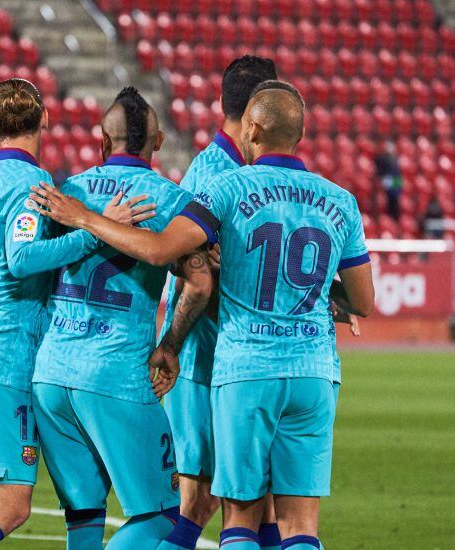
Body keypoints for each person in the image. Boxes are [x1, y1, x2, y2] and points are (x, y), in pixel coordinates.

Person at [29, 83, 375, 550]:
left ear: (252, 129)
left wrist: (88, 219)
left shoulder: (223, 187)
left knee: (234, 518)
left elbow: (159, 250)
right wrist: (321, 295)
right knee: (295, 525)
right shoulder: (341, 201)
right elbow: (363, 302)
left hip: (234, 369)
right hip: (312, 370)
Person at [0, 78, 154, 550]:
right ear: (45, 119)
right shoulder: (32, 184)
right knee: (10, 504)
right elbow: (21, 258)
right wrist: (96, 231)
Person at [31, 87, 212, 549]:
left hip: (51, 375)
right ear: (159, 142)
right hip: (117, 377)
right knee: (164, 518)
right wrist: (170, 345)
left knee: (85, 517)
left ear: (102, 142)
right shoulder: (172, 201)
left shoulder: (66, 192)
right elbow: (199, 282)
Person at [154, 55, 284, 550]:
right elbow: (196, 279)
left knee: (261, 496)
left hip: (231, 362)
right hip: (203, 363)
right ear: (257, 108)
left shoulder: (239, 170)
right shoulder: (216, 176)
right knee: (202, 501)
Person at [374, 141, 403, 219]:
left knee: (394, 202)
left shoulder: (396, 160)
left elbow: (398, 181)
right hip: (387, 182)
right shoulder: (381, 159)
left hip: (393, 184)